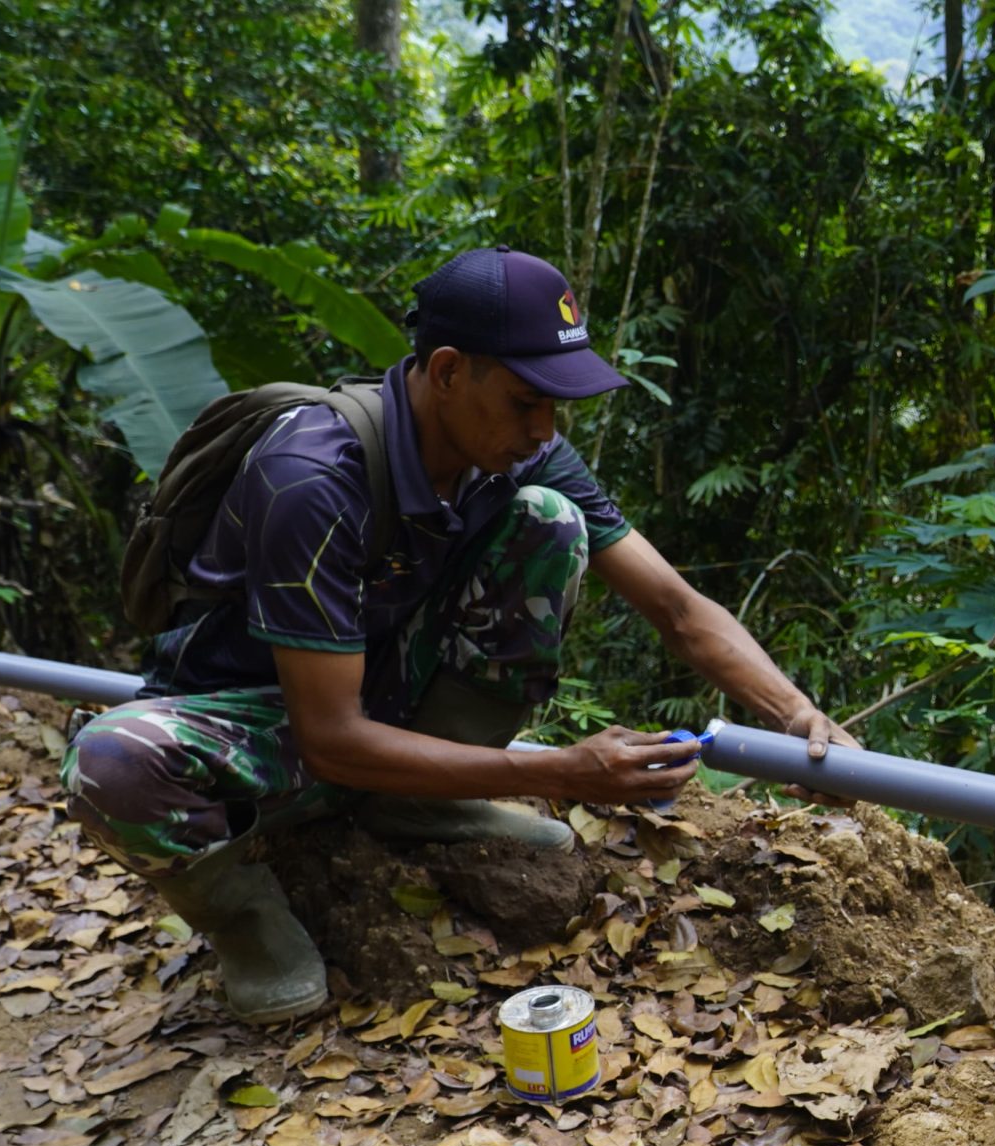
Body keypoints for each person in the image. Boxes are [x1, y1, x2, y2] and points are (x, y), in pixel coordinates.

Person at [65, 246, 853, 1025]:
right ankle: (246, 921)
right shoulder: (311, 474)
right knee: (111, 763)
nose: (544, 427)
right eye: (525, 400)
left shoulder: (521, 453)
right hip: (265, 724)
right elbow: (331, 736)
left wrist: (796, 717)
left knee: (551, 523)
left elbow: (678, 609)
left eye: (556, 404)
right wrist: (563, 770)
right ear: (447, 372)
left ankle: (416, 804)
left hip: (382, 696)